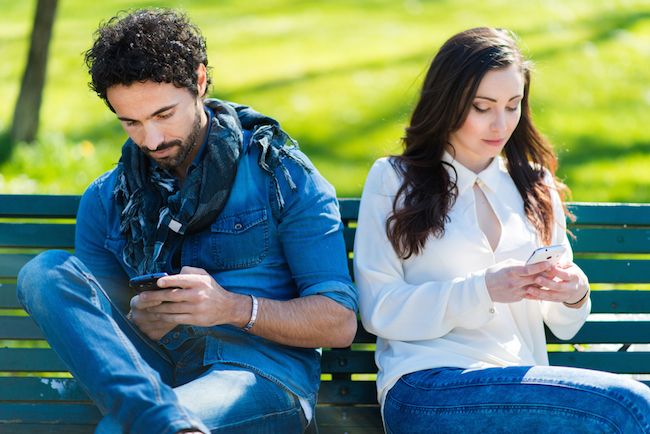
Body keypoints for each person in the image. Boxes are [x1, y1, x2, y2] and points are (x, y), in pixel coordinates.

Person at [16, 8, 358, 434]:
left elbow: (339, 321)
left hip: (257, 376)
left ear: (198, 81)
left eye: (163, 115)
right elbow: (102, 337)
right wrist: (139, 320)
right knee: (43, 272)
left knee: (123, 430)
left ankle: (158, 422)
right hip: (149, 380)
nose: (152, 140)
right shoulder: (108, 198)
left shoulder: (280, 173)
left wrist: (230, 308)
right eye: (131, 123)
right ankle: (162, 421)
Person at [353, 27, 650, 433]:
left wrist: (574, 291)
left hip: (521, 383)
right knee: (630, 406)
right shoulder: (394, 179)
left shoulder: (534, 185)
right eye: (482, 107)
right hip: (427, 386)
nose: (501, 123)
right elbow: (379, 307)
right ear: (448, 101)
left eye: (513, 105)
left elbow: (564, 323)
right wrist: (484, 288)